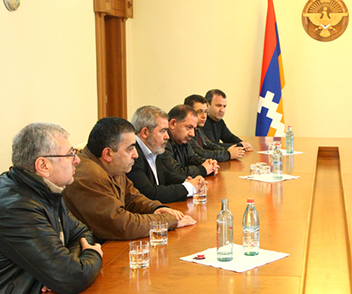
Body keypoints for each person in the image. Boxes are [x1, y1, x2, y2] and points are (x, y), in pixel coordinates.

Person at [0, 123, 102, 293]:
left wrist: (56, 272)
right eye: (71, 154)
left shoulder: (45, 189)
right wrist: (94, 255)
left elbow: (81, 233)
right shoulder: (17, 208)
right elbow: (73, 278)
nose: (77, 160)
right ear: (43, 166)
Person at [63, 117, 196, 242]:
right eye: (130, 149)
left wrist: (156, 208)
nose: (136, 155)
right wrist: (167, 221)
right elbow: (120, 225)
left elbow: (133, 197)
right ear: (108, 154)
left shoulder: (111, 166)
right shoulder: (89, 175)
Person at [127, 106, 207, 203]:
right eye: (163, 131)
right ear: (145, 132)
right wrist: (189, 187)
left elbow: (165, 175)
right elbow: (149, 193)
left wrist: (188, 181)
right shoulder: (132, 154)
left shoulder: (152, 148)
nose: (167, 136)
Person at [183, 94, 244, 161]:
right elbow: (201, 153)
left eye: (206, 112)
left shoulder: (198, 129)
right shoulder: (186, 132)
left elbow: (210, 145)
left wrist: (231, 150)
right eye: (199, 112)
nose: (204, 116)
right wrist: (228, 154)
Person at [164, 104, 219, 178]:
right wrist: (203, 169)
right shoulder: (163, 143)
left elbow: (193, 158)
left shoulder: (182, 140)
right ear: (173, 124)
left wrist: (209, 164)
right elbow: (175, 172)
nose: (192, 134)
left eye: (194, 128)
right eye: (189, 127)